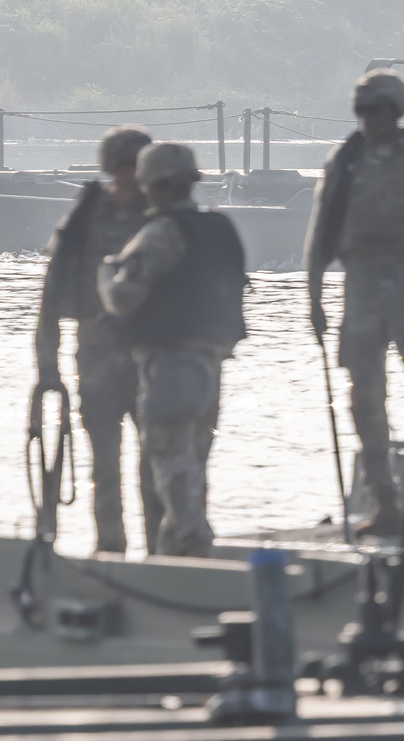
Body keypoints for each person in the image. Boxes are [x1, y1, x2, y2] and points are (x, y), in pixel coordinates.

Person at [304, 69, 404, 538]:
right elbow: (321, 232)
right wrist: (314, 299)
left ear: (397, 111)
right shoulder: (346, 161)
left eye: (378, 110)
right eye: (362, 111)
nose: (369, 119)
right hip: (360, 287)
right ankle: (385, 499)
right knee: (365, 397)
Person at [97, 143, 246, 558]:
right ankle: (173, 550)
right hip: (212, 362)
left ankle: (190, 543)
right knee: (194, 461)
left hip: (171, 364)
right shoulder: (219, 227)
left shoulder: (161, 233)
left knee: (170, 460)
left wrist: (106, 275)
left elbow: (122, 299)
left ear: (154, 186)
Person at [35, 125, 159, 554]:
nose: (131, 176)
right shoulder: (86, 218)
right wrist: (47, 367)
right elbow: (51, 295)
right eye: (125, 166)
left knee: (155, 465)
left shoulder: (162, 217)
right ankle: (110, 550)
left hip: (151, 358)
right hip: (97, 357)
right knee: (104, 464)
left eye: (137, 167)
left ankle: (160, 554)